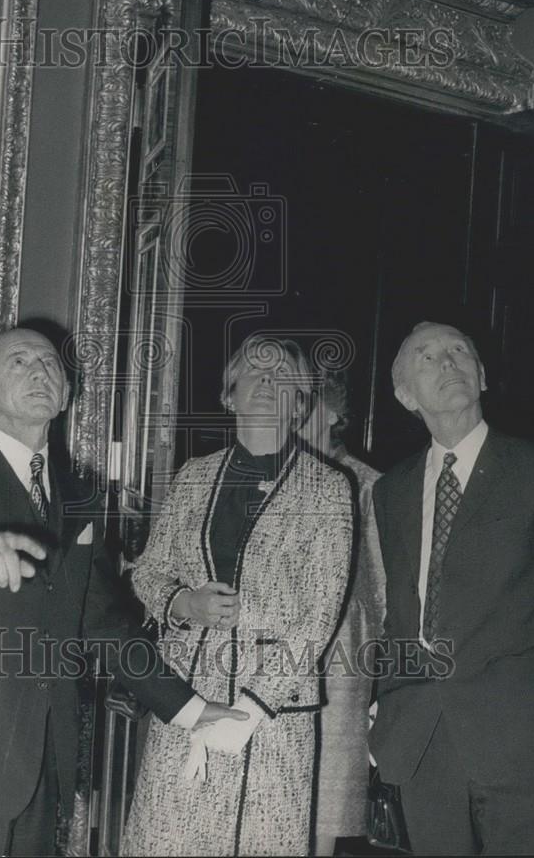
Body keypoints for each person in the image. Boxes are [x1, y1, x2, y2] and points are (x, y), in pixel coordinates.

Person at [0, 328, 244, 858]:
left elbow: (104, 624)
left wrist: (188, 709)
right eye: (19, 361)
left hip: (49, 749)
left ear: (66, 396)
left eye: (49, 364)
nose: (39, 371)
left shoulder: (81, 495)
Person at [120, 333, 354, 857]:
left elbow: (320, 616)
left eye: (284, 377)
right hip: (185, 700)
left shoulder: (329, 489)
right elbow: (148, 572)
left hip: (273, 712)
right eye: (255, 370)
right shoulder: (192, 477)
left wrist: (250, 708)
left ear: (300, 403)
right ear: (229, 394)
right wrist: (185, 603)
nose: (268, 382)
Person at [370, 321, 534, 855]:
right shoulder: (391, 490)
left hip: (523, 735)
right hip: (421, 739)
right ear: (404, 395)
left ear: (481, 375)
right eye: (427, 356)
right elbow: (401, 611)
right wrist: (388, 703)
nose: (447, 362)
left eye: (459, 351)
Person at [295, 367, 385, 856]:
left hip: (338, 676)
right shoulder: (264, 477)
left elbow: (385, 597)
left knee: (319, 820)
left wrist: (380, 695)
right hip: (267, 671)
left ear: (333, 413)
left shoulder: (369, 487)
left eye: (305, 401)